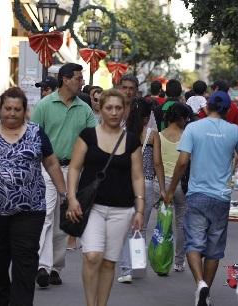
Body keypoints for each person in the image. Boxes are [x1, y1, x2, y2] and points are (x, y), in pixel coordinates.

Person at [0, 87, 67, 306]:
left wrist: (65, 193)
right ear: (1, 108)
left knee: (25, 261)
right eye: (8, 108)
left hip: (30, 210)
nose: (12, 113)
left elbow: (52, 162)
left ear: (24, 110)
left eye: (17, 109)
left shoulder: (36, 133)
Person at [164, 91, 238, 306]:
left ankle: (200, 284)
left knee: (194, 243)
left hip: (197, 195)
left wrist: (171, 189)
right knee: (214, 249)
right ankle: (206, 292)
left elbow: (182, 162)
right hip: (221, 197)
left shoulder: (193, 127)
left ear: (207, 106)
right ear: (227, 109)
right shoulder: (234, 130)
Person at [66, 89, 144, 306]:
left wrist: (139, 209)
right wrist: (71, 198)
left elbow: (137, 176)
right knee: (92, 256)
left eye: (119, 108)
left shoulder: (131, 141)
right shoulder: (88, 136)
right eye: (109, 107)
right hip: (93, 208)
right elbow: (74, 168)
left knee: (109, 263)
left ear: (125, 110)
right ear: (100, 108)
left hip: (122, 209)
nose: (114, 112)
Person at [31, 63, 98, 288]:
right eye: (78, 78)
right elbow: (32, 137)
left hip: (74, 170)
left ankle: (55, 268)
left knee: (65, 218)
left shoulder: (85, 109)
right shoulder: (44, 105)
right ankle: (42, 266)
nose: (81, 82)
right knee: (47, 215)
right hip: (48, 168)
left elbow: (95, 140)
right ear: (65, 79)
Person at [118, 97, 167, 283]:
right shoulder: (152, 135)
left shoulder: (122, 133)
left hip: (125, 182)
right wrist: (162, 189)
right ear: (147, 117)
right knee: (141, 227)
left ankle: (125, 269)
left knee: (125, 227)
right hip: (146, 184)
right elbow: (157, 163)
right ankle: (138, 265)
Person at [158, 103, 191, 273]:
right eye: (186, 118)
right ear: (181, 118)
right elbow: (186, 162)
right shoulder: (187, 136)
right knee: (181, 223)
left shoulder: (158, 136)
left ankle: (157, 256)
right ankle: (179, 261)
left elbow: (156, 162)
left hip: (161, 183)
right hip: (181, 183)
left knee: (162, 223)